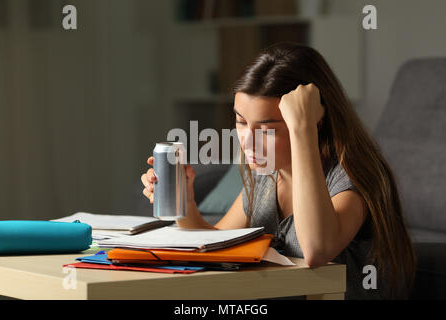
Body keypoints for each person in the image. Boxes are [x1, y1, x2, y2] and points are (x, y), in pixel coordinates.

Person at [141, 42, 416, 300]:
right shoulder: (268, 176)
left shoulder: (351, 176)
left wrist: (303, 129)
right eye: (241, 122)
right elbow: (215, 243)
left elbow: (317, 251)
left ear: (313, 122)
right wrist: (185, 203)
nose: (247, 141)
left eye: (267, 129)